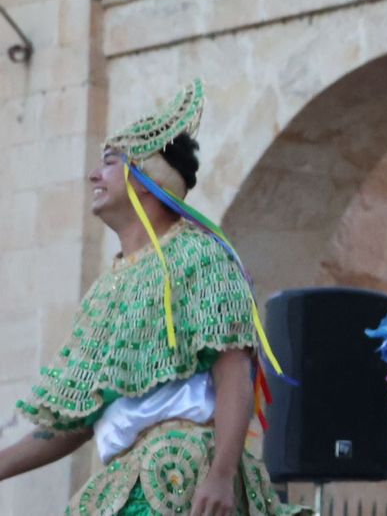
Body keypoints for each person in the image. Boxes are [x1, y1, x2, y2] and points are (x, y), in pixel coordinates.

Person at [0, 79, 305, 516]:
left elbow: (233, 370)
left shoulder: (201, 256)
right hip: (125, 475)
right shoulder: (104, 290)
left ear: (145, 178)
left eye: (109, 163)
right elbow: (77, 418)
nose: (94, 175)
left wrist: (220, 474)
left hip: (180, 469)